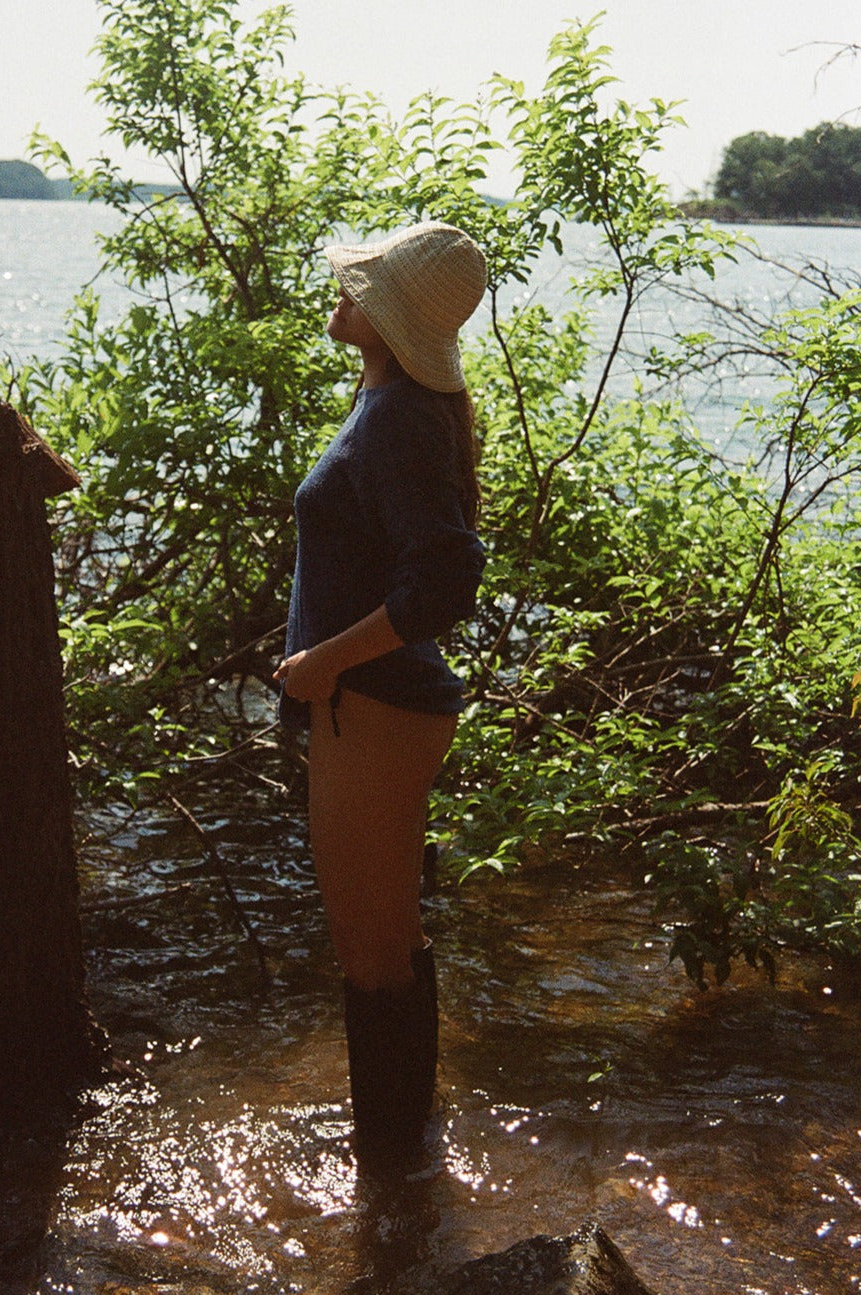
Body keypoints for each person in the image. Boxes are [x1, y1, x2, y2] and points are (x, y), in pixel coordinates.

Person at [274, 220, 487, 1157]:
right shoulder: (388, 402)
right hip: (377, 709)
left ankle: (391, 1177)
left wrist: (326, 662)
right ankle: (405, 1174)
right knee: (385, 940)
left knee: (369, 954)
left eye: (364, 285)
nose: (344, 292)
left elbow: (442, 580)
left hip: (375, 708)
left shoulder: (398, 416)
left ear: (386, 320)